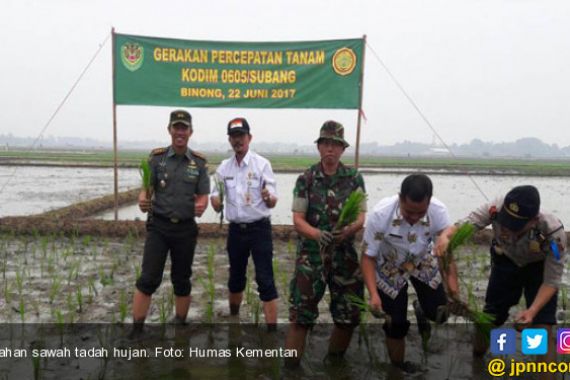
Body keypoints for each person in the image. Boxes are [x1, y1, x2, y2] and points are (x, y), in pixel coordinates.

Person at [435, 185, 566, 366]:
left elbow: (552, 281)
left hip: (538, 268)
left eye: (517, 227)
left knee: (542, 327)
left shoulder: (553, 233)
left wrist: (531, 311)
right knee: (491, 317)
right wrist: (446, 236)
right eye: (506, 222)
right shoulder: (493, 209)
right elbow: (463, 225)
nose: (510, 230)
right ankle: (477, 361)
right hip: (505, 261)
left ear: (534, 220)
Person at [285, 120, 366, 366]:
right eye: (326, 144)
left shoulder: (354, 178)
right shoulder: (306, 179)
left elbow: (361, 216)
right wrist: (318, 234)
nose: (330, 149)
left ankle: (334, 362)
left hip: (345, 257)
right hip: (311, 257)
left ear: (343, 149)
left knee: (348, 315)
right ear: (319, 147)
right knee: (301, 315)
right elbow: (298, 220)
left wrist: (348, 229)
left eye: (335, 144)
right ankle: (290, 367)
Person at [361, 174, 456, 371]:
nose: (413, 218)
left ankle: (421, 310)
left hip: (422, 260)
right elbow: (368, 257)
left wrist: (453, 288)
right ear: (400, 198)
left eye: (420, 213)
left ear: (429, 202)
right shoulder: (381, 214)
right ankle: (398, 366)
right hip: (390, 266)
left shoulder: (438, 210)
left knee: (441, 313)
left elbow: (447, 249)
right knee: (395, 325)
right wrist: (374, 294)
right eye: (408, 212)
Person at [132, 109, 210, 328]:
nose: (180, 132)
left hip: (185, 230)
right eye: (176, 127)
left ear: (190, 132)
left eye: (184, 128)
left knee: (182, 279)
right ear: (169, 130)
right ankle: (137, 328)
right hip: (159, 227)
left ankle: (180, 325)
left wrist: (202, 204)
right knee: (148, 279)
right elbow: (145, 189)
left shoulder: (199, 163)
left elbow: (203, 195)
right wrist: (142, 200)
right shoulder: (157, 159)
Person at [210, 117, 279, 328]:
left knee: (265, 278)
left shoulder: (262, 165)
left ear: (249, 137)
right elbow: (215, 199)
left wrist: (268, 196)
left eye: (241, 136)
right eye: (233, 136)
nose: (237, 140)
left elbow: (273, 200)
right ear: (229, 140)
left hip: (259, 229)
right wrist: (216, 201)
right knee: (236, 277)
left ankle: (272, 330)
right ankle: (234, 318)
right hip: (236, 231)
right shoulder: (223, 168)